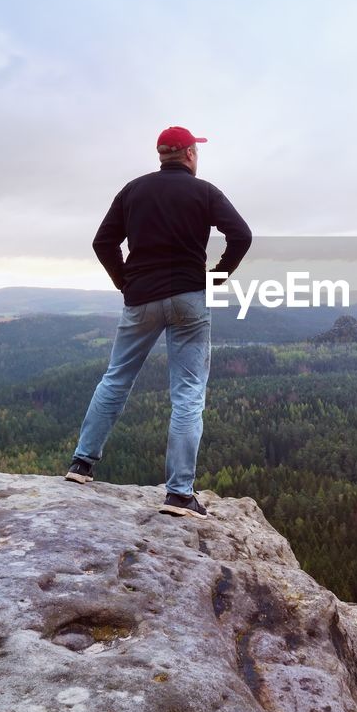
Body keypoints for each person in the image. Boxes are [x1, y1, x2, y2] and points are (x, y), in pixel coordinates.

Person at [65, 126, 252, 520]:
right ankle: (179, 494)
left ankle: (82, 464)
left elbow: (103, 242)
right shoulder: (205, 192)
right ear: (188, 155)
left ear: (161, 155)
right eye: (195, 151)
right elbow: (241, 235)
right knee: (187, 393)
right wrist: (216, 278)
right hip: (189, 298)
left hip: (141, 297)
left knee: (116, 377)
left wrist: (125, 282)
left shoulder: (133, 190)